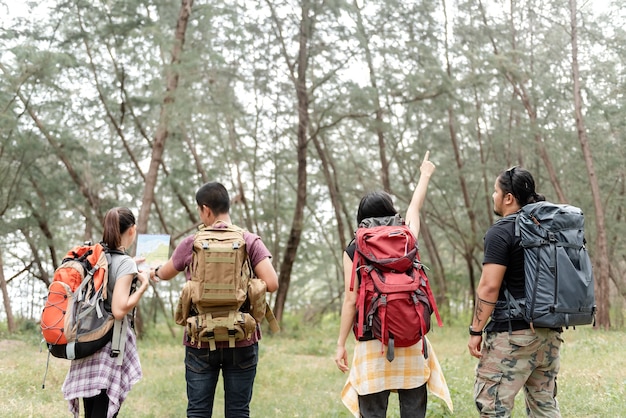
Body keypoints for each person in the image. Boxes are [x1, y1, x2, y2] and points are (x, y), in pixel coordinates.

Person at [334, 152, 452, 417]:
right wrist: (425, 174)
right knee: (413, 410)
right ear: (390, 212)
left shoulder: (354, 249)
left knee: (373, 412)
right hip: (410, 338)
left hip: (371, 341)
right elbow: (414, 208)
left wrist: (341, 343)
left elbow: (351, 300)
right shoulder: (407, 238)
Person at [151, 181, 279, 418]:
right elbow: (272, 283)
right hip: (242, 336)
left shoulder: (192, 243)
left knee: (198, 411)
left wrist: (153, 271)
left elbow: (166, 273)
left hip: (200, 338)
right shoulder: (249, 240)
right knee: (239, 411)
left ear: (205, 209)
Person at [468, 166, 562, 417]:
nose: (493, 196)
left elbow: (489, 286)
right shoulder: (550, 227)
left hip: (513, 335)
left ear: (508, 197)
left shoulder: (501, 231)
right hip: (549, 334)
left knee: (493, 405)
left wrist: (475, 329)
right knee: (544, 405)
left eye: (496, 191)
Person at [62, 207, 151, 418]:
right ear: (132, 230)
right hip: (110, 344)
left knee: (91, 411)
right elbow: (119, 309)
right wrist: (143, 286)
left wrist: (132, 266)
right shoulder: (125, 263)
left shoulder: (95, 257)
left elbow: (110, 272)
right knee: (104, 411)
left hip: (87, 340)